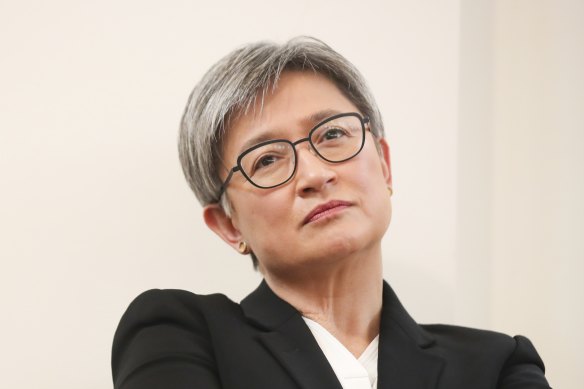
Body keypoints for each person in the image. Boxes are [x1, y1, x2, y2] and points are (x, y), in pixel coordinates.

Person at [111, 37, 551, 389]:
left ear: (384, 165)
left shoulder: (496, 365)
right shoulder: (179, 335)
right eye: (267, 159)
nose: (315, 174)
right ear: (228, 226)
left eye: (333, 134)